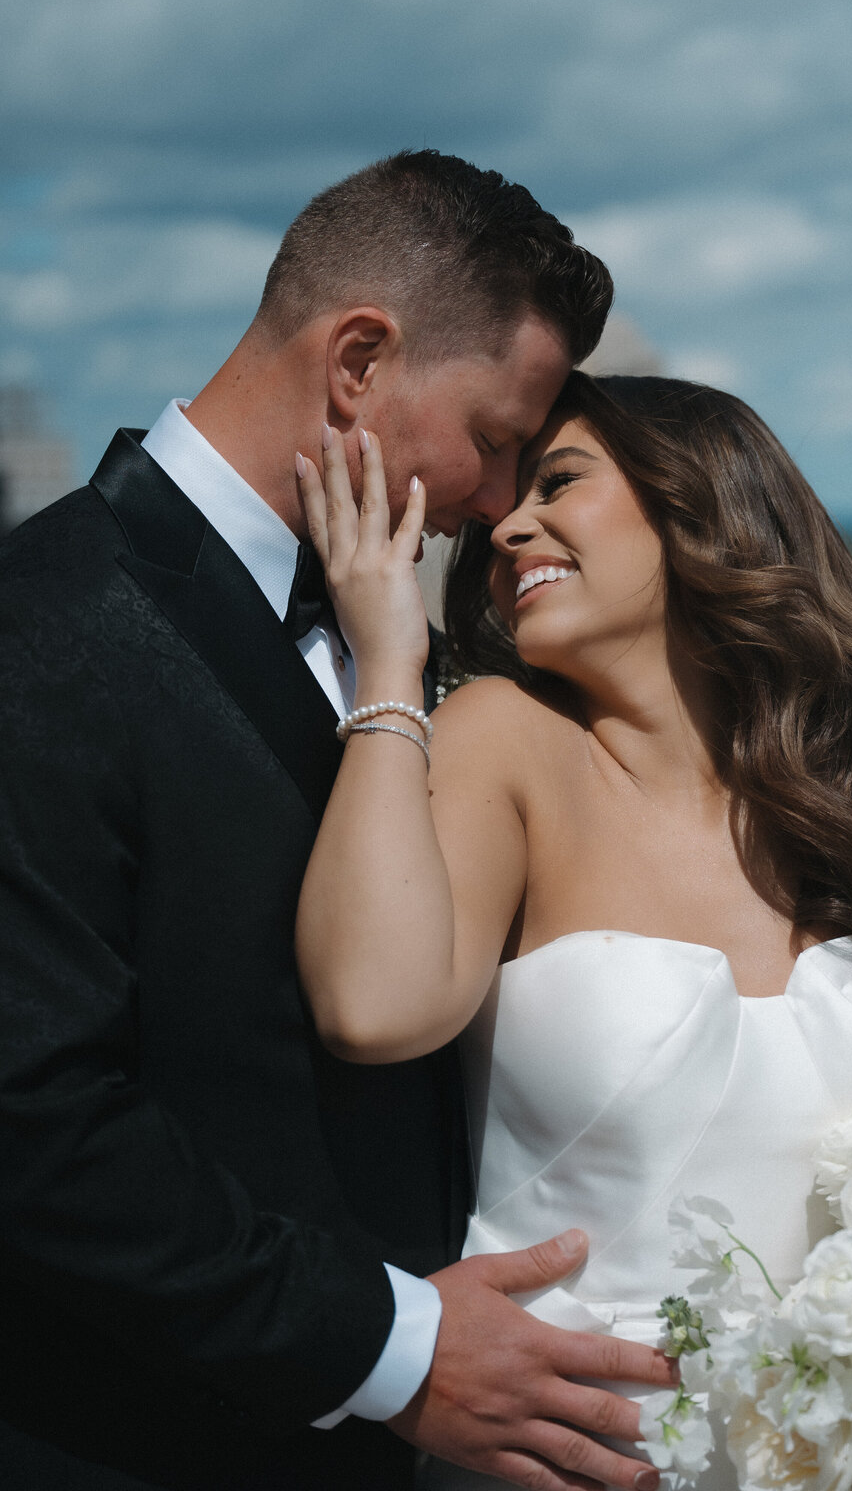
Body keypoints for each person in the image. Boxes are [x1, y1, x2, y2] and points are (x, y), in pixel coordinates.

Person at [295, 370, 852, 1491]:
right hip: (579, 1455)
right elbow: (371, 1006)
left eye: (559, 482)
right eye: (506, 506)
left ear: (698, 501)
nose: (508, 526)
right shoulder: (505, 740)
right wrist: (390, 661)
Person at [0, 152, 679, 1491]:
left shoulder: (417, 636)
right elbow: (34, 1119)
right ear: (358, 362)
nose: (500, 504)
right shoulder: (38, 627)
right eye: (493, 439)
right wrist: (393, 1349)